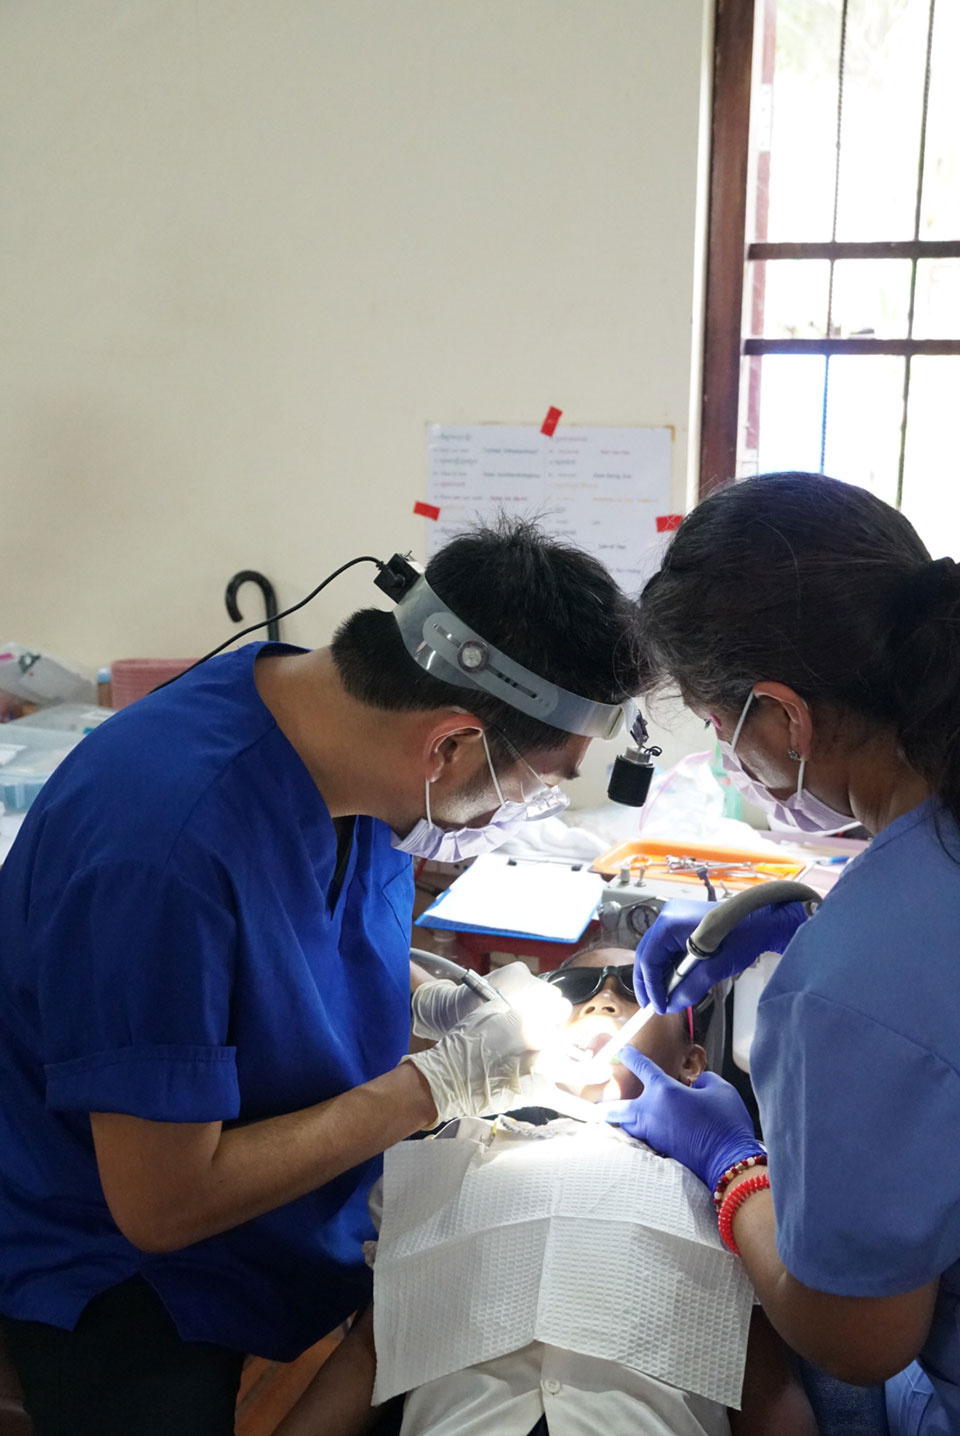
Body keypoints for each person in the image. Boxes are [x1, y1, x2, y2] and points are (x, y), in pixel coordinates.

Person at [0, 518, 644, 1436]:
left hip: (278, 1192)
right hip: (116, 1252)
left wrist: (417, 1004)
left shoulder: (332, 732)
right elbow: (160, 1204)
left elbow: (293, 947)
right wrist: (436, 1084)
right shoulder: (162, 847)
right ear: (450, 747)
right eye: (537, 785)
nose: (525, 809)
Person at [604, 472, 960, 1436]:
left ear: (788, 717)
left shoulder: (851, 989)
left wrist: (728, 1165)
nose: (731, 761)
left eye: (722, 731)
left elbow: (861, 1336)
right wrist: (827, 924)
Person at [275, 945, 817, 1436]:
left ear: (691, 1063)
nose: (603, 1000)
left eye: (635, 986)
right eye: (576, 988)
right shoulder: (454, 1156)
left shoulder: (724, 1190)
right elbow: (373, 1349)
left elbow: (766, 1387)